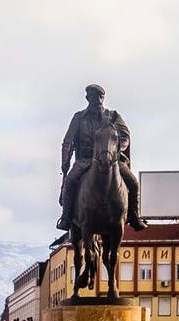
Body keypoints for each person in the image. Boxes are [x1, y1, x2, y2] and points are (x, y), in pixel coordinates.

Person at [57, 84, 147, 232]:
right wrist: (65, 162)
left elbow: (125, 136)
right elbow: (67, 141)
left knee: (133, 183)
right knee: (71, 181)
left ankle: (133, 216)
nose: (98, 100)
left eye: (101, 96)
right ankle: (66, 217)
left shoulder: (113, 116)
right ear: (88, 98)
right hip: (85, 160)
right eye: (94, 97)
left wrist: (117, 148)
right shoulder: (79, 118)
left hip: (111, 160)